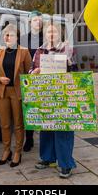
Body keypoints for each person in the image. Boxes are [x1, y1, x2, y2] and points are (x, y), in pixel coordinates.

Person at [30, 22, 77, 179]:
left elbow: (76, 71)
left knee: (63, 130)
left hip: (63, 94)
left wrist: (69, 61)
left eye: (54, 32)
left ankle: (65, 164)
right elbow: (31, 70)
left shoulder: (68, 49)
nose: (51, 34)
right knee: (46, 128)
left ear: (59, 34)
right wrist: (34, 72)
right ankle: (48, 158)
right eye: (48, 32)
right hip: (45, 95)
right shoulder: (39, 51)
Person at [0, 24, 32, 167]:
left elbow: (29, 72)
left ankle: (17, 152)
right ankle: (6, 150)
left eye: (11, 35)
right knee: (4, 123)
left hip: (17, 92)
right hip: (3, 92)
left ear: (17, 37)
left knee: (18, 124)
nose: (8, 37)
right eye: (6, 35)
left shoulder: (24, 52)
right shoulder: (0, 52)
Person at [24, 10, 44, 152]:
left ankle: (45, 139)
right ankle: (29, 138)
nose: (38, 22)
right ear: (30, 22)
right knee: (29, 109)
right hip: (28, 77)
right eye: (35, 20)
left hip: (44, 77)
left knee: (44, 109)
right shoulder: (24, 39)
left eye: (40, 20)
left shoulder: (47, 37)